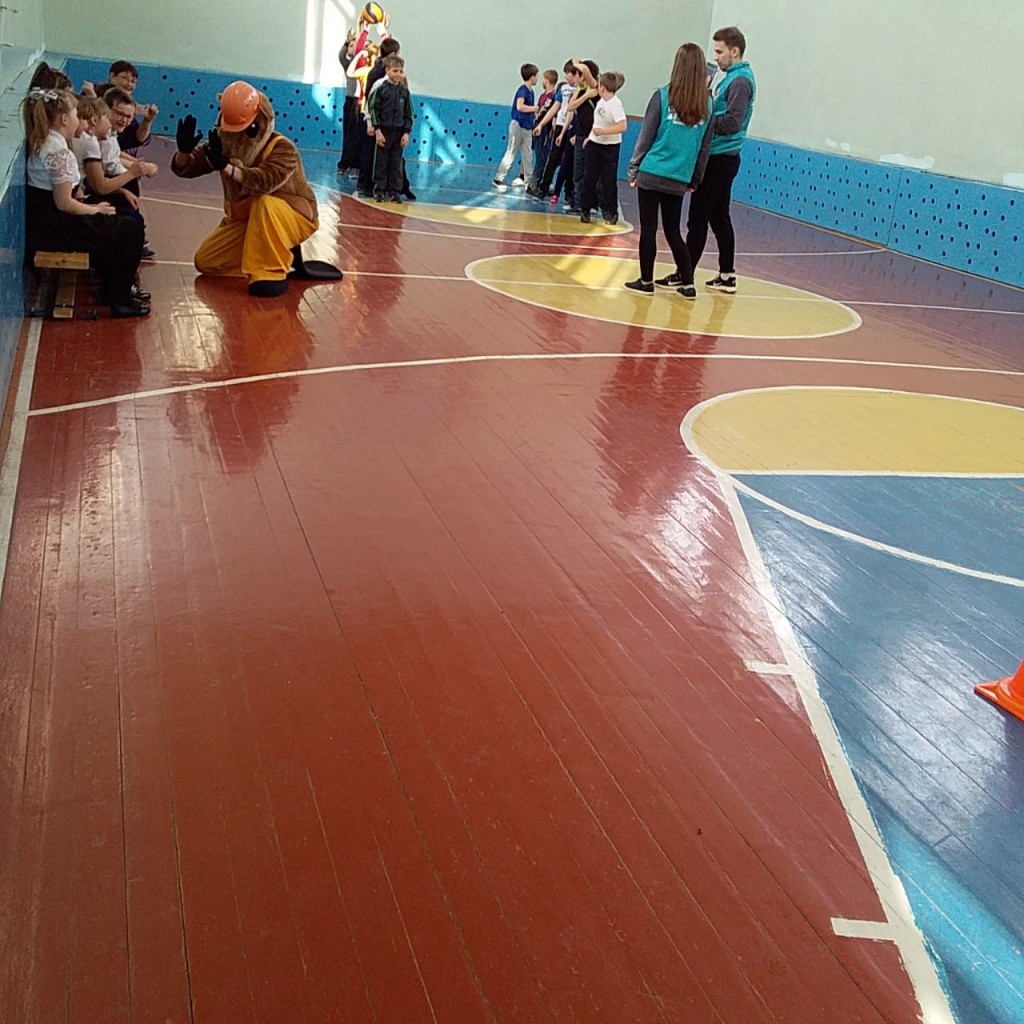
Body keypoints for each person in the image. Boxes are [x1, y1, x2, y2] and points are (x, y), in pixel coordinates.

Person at [171, 81, 322, 298]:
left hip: (294, 214)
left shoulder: (282, 148)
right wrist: (183, 153)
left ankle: (270, 272)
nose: (238, 137)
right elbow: (191, 166)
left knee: (265, 202)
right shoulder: (224, 142)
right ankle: (274, 248)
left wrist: (227, 168)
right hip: (247, 217)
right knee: (207, 261)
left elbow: (265, 181)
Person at [23, 86, 148, 317]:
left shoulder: (51, 143)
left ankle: (114, 289)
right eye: (74, 114)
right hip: (56, 227)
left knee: (122, 218)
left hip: (50, 219)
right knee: (129, 229)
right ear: (64, 119)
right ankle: (118, 298)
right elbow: (64, 204)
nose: (77, 118)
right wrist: (95, 209)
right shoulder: (58, 152)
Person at [625, 44, 714, 297]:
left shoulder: (662, 96)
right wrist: (695, 178)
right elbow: (704, 147)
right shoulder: (707, 105)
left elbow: (646, 136)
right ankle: (688, 283)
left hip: (652, 172)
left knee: (649, 230)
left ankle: (646, 281)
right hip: (679, 177)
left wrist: (634, 168)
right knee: (674, 232)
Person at [684, 25, 756, 293]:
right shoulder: (730, 79)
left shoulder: (740, 82)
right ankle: (727, 275)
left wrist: (704, 118)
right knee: (719, 217)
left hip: (720, 158)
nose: (716, 57)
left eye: (719, 52)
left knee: (698, 217)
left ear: (734, 51)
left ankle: (685, 273)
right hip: (721, 156)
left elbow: (733, 122)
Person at [528, 59, 579, 206]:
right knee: (552, 159)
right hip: (560, 126)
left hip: (572, 127)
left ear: (574, 73)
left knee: (570, 162)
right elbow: (555, 108)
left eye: (567, 73)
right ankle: (543, 189)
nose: (565, 77)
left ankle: (569, 193)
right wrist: (541, 124)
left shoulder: (581, 90)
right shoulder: (563, 89)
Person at [579, 72, 626, 225]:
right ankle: (585, 209)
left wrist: (604, 132)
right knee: (589, 177)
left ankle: (611, 212)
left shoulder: (615, 104)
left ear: (602, 87)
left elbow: (622, 126)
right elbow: (597, 124)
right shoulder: (601, 102)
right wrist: (590, 137)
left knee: (608, 180)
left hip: (610, 147)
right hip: (594, 144)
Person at [367, 55, 414, 202]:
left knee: (396, 163)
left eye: (401, 71)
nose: (398, 74)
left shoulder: (405, 92)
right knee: (381, 162)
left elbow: (409, 113)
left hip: (398, 133)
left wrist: (406, 132)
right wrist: (377, 130)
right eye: (395, 71)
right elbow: (373, 109)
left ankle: (395, 191)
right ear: (387, 70)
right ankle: (379, 189)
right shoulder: (381, 90)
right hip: (384, 131)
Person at [492, 63, 538, 189]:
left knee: (527, 155)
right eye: (536, 76)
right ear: (532, 77)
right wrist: (534, 108)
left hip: (527, 126)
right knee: (511, 152)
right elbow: (520, 106)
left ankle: (528, 181)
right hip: (518, 125)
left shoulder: (531, 92)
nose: (537, 79)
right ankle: (498, 178)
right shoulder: (522, 90)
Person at [565, 58, 599, 213]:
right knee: (578, 172)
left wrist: (577, 64)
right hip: (580, 135)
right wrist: (584, 96)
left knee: (591, 172)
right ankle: (579, 203)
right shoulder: (581, 90)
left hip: (592, 137)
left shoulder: (596, 88)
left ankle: (591, 204)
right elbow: (571, 106)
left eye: (577, 74)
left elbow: (586, 71)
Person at [526, 70, 558, 194]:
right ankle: (536, 182)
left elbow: (551, 113)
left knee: (543, 158)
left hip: (545, 131)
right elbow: (539, 111)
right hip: (538, 129)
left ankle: (535, 183)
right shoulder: (543, 95)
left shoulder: (552, 97)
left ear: (547, 81)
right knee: (540, 157)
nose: (542, 82)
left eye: (544, 79)